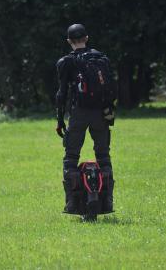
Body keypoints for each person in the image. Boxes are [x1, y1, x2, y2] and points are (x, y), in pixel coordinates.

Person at [55, 24, 117, 214]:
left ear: (69, 41)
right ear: (87, 38)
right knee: (104, 157)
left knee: (71, 158)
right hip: (100, 113)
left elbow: (61, 93)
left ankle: (71, 203)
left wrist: (60, 120)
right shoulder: (102, 59)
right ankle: (107, 202)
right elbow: (111, 88)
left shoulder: (66, 62)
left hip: (78, 113)